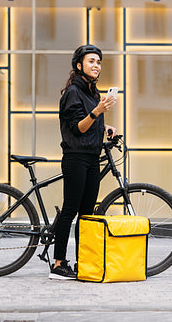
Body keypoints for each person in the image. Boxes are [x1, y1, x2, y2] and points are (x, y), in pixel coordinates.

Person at [49, 44, 117, 280]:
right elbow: (77, 128)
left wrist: (105, 127)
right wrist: (98, 112)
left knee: (87, 214)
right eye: (91, 61)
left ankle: (84, 261)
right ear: (79, 65)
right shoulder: (73, 92)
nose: (96, 65)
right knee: (70, 210)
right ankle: (58, 264)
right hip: (75, 157)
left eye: (99, 62)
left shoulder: (92, 93)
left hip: (92, 157)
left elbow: (90, 123)